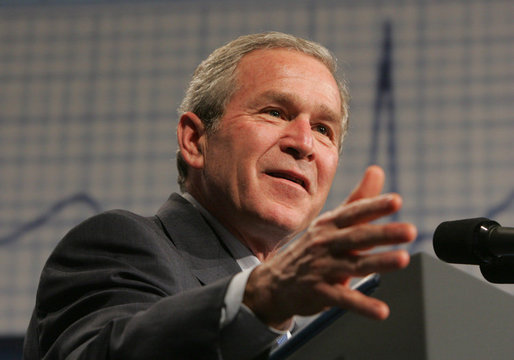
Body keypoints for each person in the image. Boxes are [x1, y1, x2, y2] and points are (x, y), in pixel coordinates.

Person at [23, 32, 416, 360]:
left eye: (324, 129)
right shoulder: (121, 244)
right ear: (195, 140)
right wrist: (261, 297)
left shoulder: (291, 324)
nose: (303, 143)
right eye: (275, 112)